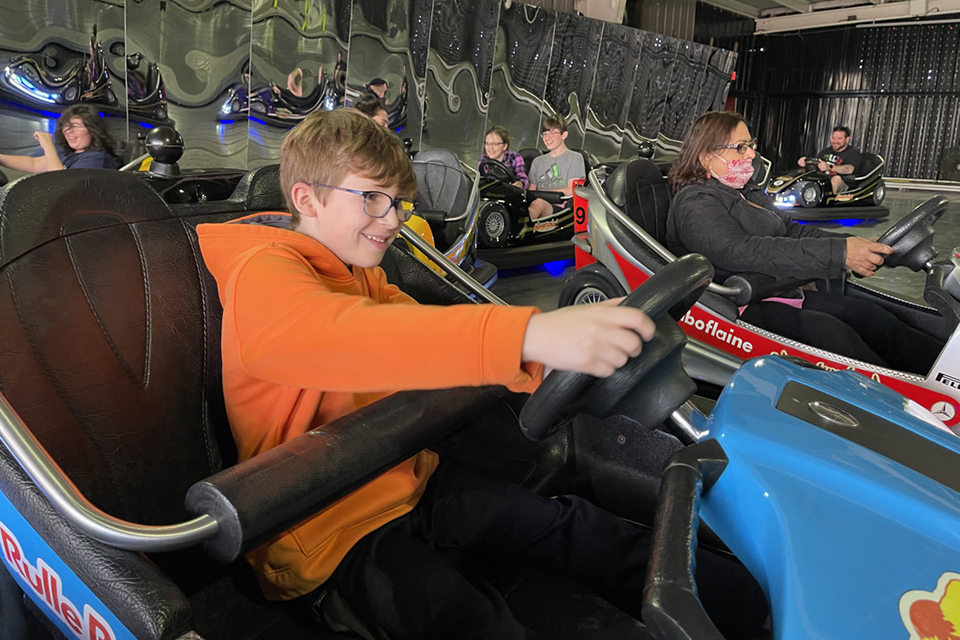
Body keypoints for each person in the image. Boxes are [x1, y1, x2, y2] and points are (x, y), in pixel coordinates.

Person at [196, 109, 767, 640]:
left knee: (570, 526)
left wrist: (565, 349)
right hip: (319, 532)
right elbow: (336, 336)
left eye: (398, 203)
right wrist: (530, 335)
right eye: (372, 199)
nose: (392, 220)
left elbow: (434, 337)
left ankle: (764, 612)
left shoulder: (360, 273)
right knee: (465, 619)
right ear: (306, 198)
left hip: (406, 479)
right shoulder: (263, 268)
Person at [666, 111, 942, 375]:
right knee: (839, 340)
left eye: (750, 145)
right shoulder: (695, 202)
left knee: (875, 319)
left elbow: (791, 231)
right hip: (738, 307)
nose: (751, 154)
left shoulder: (746, 192)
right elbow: (739, 251)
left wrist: (853, 245)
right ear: (706, 157)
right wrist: (839, 254)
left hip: (778, 291)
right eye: (740, 147)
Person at [0, 104, 118, 173]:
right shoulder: (65, 152)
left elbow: (61, 184)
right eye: (66, 126)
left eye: (75, 126)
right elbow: (34, 163)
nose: (69, 131)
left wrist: (48, 145)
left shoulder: (96, 158)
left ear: (93, 130)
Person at [528, 114, 585, 220]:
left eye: (552, 133)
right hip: (537, 204)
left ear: (564, 135)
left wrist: (541, 193)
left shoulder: (575, 158)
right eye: (545, 134)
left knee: (539, 203)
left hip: (561, 210)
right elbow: (531, 191)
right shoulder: (537, 161)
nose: (547, 138)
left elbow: (571, 190)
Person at [797, 125, 862, 195]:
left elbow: (849, 169)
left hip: (844, 184)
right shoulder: (825, 152)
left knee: (836, 179)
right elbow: (816, 164)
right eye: (833, 138)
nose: (835, 141)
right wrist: (806, 162)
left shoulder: (852, 153)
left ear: (847, 139)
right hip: (824, 180)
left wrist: (830, 167)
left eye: (839, 138)